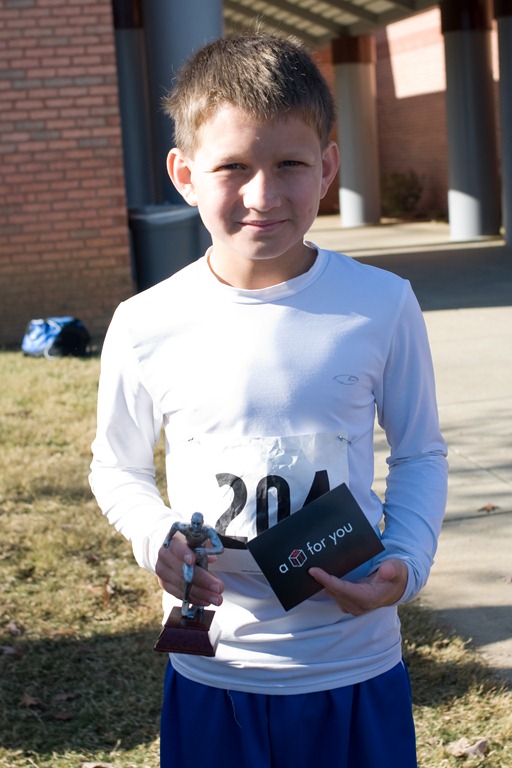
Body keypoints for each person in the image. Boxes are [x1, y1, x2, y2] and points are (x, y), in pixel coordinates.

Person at [89, 33, 448, 768]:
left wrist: (406, 560)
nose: (264, 195)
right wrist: (156, 536)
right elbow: (116, 468)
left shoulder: (382, 305)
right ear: (185, 174)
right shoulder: (145, 323)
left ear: (328, 168)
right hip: (217, 668)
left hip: (353, 664)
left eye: (290, 164)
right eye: (233, 168)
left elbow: (419, 451)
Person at [163, 512, 224, 618]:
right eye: (194, 523)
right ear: (191, 522)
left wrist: (206, 551)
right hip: (189, 554)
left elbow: (220, 548)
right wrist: (167, 540)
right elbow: (175, 526)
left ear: (202, 523)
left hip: (202, 557)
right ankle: (185, 608)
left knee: (203, 581)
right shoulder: (185, 528)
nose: (195, 527)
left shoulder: (208, 531)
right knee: (188, 581)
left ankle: (200, 606)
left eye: (198, 524)